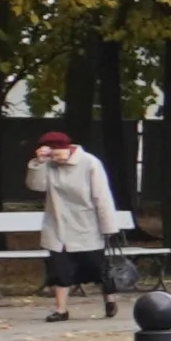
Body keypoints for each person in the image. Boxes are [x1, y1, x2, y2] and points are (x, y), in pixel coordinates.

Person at [25, 124, 136, 320]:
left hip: (87, 225)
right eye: (50, 154)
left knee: (96, 267)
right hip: (57, 225)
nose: (55, 158)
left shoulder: (89, 163)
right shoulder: (48, 164)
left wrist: (108, 226)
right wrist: (39, 162)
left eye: (56, 153)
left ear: (66, 148)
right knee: (59, 268)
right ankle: (61, 309)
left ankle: (109, 299)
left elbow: (102, 196)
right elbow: (37, 185)